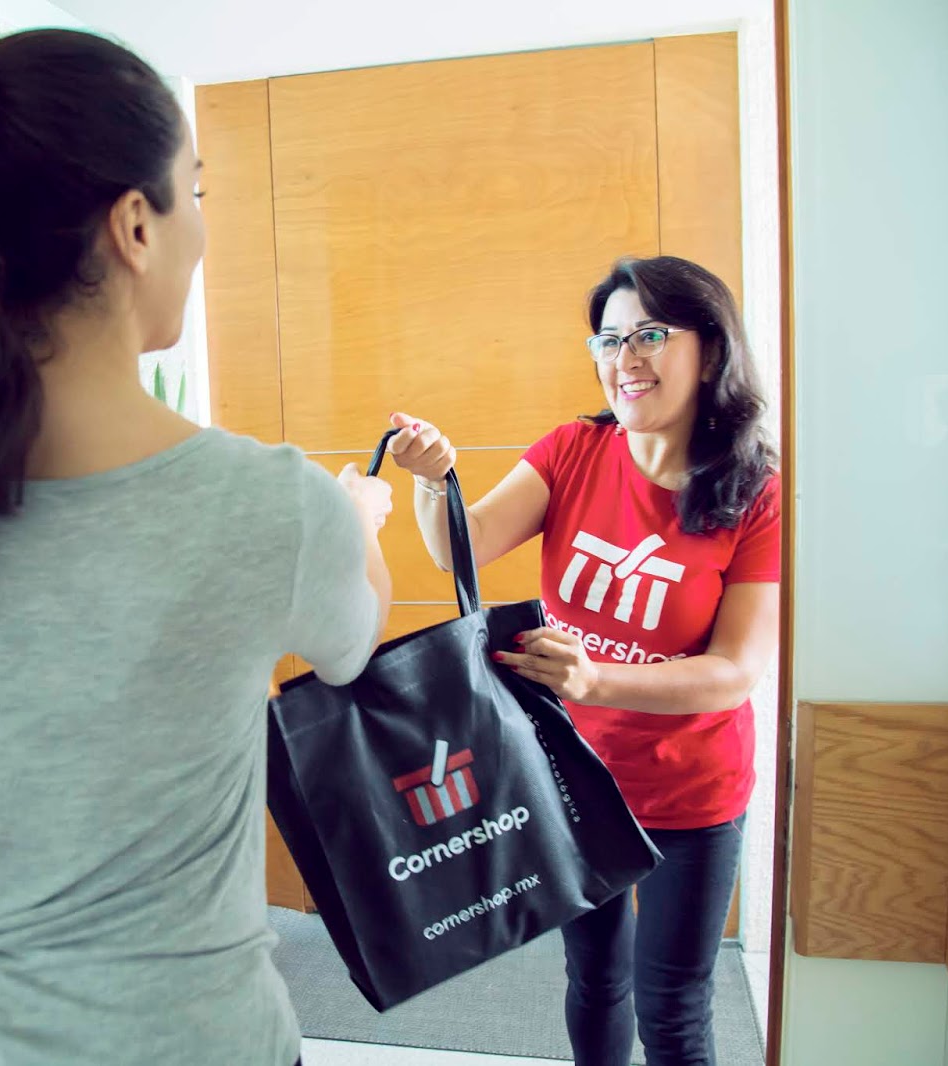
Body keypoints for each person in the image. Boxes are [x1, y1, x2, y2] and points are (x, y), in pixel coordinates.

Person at [0, 30, 393, 1066]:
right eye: (196, 192)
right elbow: (353, 644)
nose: (200, 228)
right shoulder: (272, 505)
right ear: (135, 225)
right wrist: (355, 517)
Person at [387, 255, 780, 1066]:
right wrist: (436, 481)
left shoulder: (757, 494)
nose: (624, 359)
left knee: (673, 1004)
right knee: (595, 980)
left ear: (710, 350)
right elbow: (463, 545)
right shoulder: (573, 451)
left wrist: (595, 678)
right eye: (608, 339)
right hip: (576, 777)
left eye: (649, 335)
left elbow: (736, 671)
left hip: (691, 791)